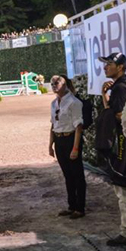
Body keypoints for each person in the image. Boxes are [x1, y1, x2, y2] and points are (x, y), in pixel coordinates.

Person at [99, 52, 126, 246]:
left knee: (124, 189)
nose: (105, 67)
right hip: (123, 142)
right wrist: (104, 95)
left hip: (124, 144)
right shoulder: (121, 87)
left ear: (120, 67)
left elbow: (120, 116)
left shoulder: (121, 88)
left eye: (109, 63)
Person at [48, 74, 86, 218]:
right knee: (67, 175)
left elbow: (78, 127)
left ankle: (80, 207)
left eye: (58, 82)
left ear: (65, 84)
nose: (54, 84)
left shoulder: (74, 102)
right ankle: (72, 205)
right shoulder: (54, 103)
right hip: (59, 140)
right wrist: (50, 145)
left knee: (77, 175)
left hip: (70, 139)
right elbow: (53, 124)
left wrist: (75, 148)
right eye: (52, 83)